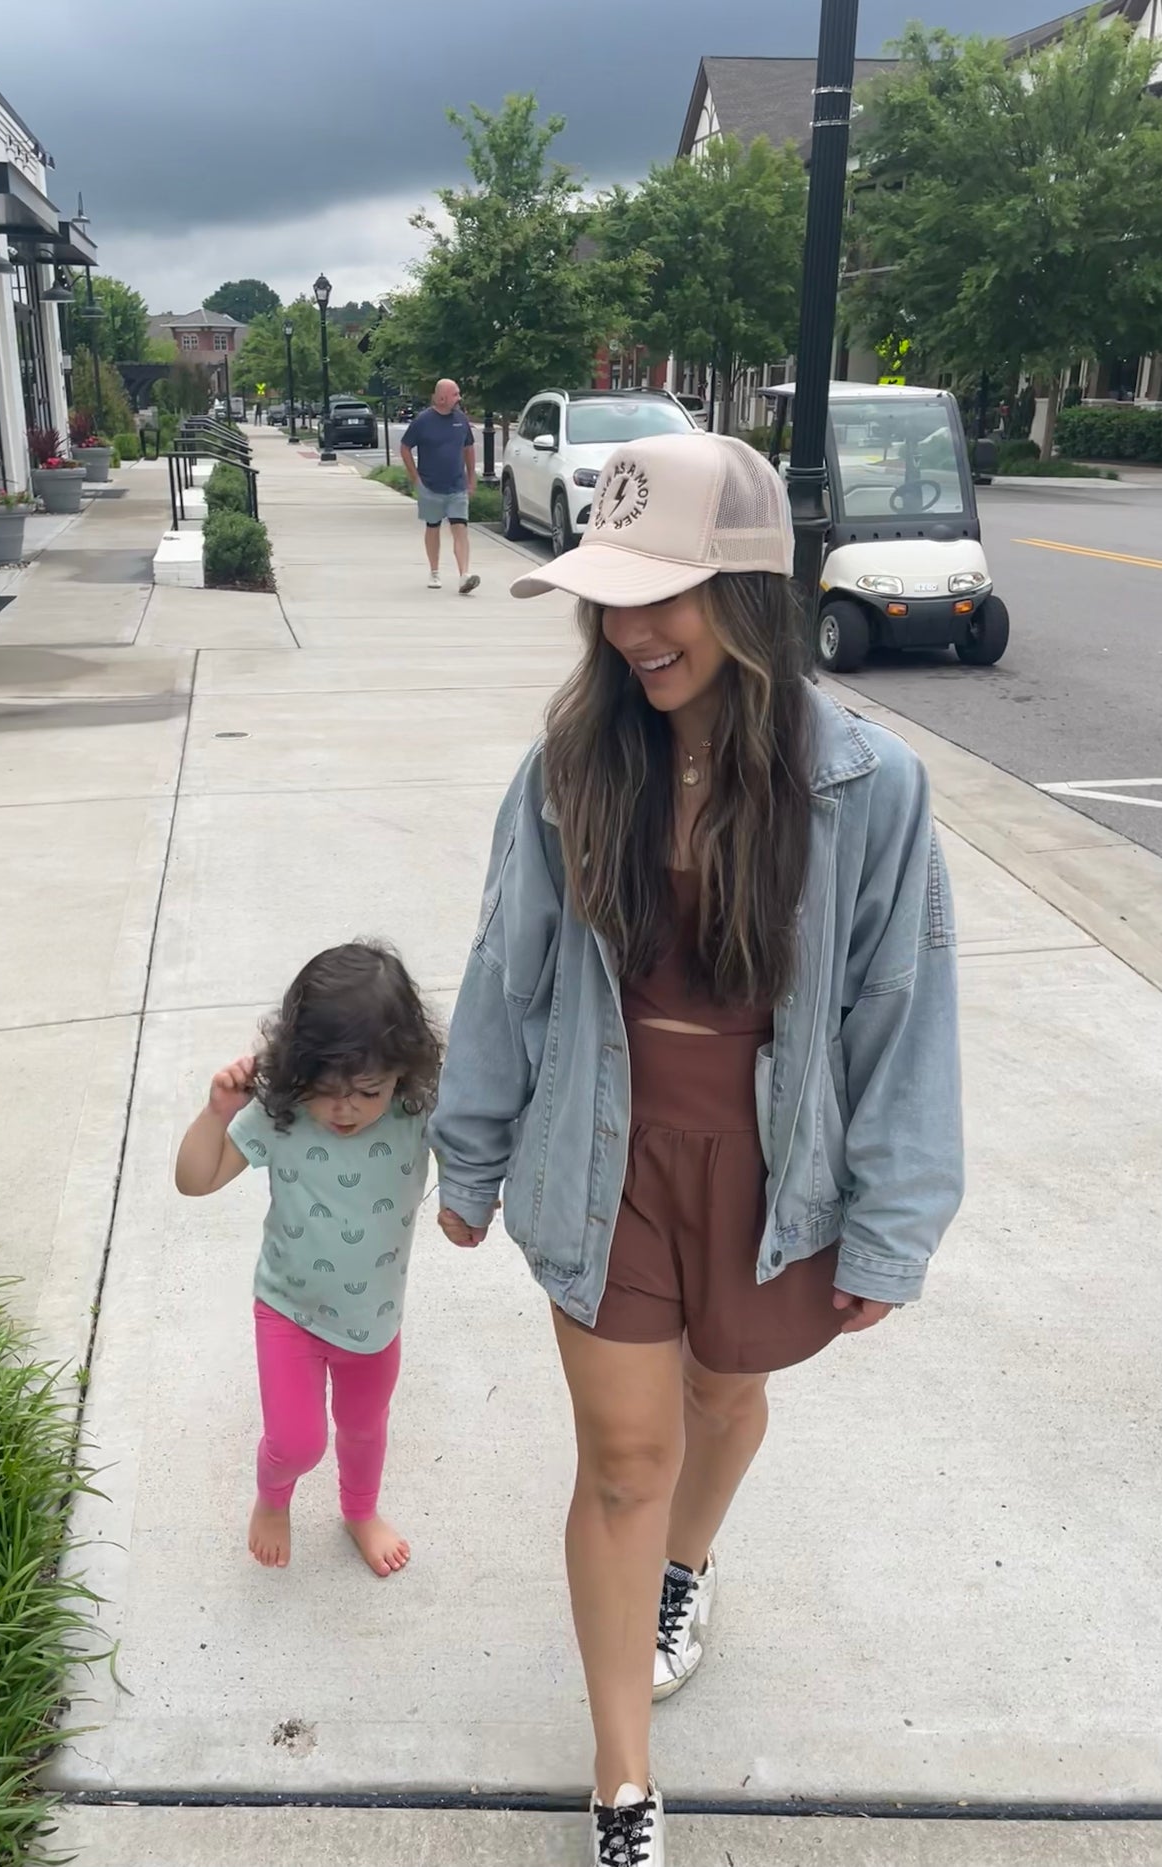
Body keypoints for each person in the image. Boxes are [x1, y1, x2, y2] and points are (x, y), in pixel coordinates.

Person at [429, 432, 964, 1867]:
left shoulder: (870, 784)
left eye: (661, 596)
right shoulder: (569, 765)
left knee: (724, 1405)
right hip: (599, 1152)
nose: (629, 631)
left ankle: (688, 1563)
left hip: (775, 1162)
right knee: (623, 1452)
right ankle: (622, 1779)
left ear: (748, 593)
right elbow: (507, 965)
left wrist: (892, 1221)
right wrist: (470, 1150)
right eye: (611, 596)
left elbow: (901, 1009)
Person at [175, 942, 443, 1578]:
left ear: (404, 1070)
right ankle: (273, 1498)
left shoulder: (414, 1114)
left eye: (366, 1090)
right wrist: (217, 1114)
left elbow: (476, 1151)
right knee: (297, 1442)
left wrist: (468, 1203)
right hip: (289, 1310)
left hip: (374, 1319)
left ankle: (359, 1511)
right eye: (325, 1091)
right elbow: (195, 1180)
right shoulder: (283, 1119)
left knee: (363, 1427)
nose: (344, 1108)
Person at [400, 378, 480, 595]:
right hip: (430, 486)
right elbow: (405, 447)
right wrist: (415, 478)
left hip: (457, 486)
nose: (459, 398)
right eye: (455, 394)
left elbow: (469, 448)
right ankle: (434, 571)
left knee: (460, 528)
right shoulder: (423, 421)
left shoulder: (461, 420)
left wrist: (471, 478)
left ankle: (464, 574)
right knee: (433, 526)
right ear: (442, 397)